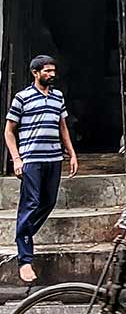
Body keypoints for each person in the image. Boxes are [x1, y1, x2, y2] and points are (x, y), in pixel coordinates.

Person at [4, 55, 78, 283]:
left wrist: (72, 153)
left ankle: (22, 236)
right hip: (31, 160)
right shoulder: (22, 98)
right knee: (31, 203)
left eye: (53, 71)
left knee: (48, 202)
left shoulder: (57, 97)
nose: (52, 75)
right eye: (47, 71)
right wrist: (17, 159)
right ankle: (25, 259)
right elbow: (9, 131)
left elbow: (62, 126)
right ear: (35, 73)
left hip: (53, 158)